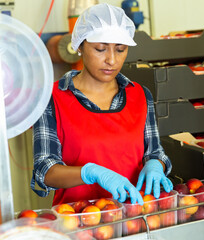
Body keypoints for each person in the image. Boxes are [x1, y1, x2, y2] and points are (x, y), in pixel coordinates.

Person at [31, 3, 173, 206]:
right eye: (100, 49)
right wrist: (90, 172)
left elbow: (155, 151)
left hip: (134, 216)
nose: (112, 60)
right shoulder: (52, 98)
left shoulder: (141, 95)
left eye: (120, 49)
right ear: (79, 45)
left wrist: (155, 164)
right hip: (79, 220)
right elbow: (44, 170)